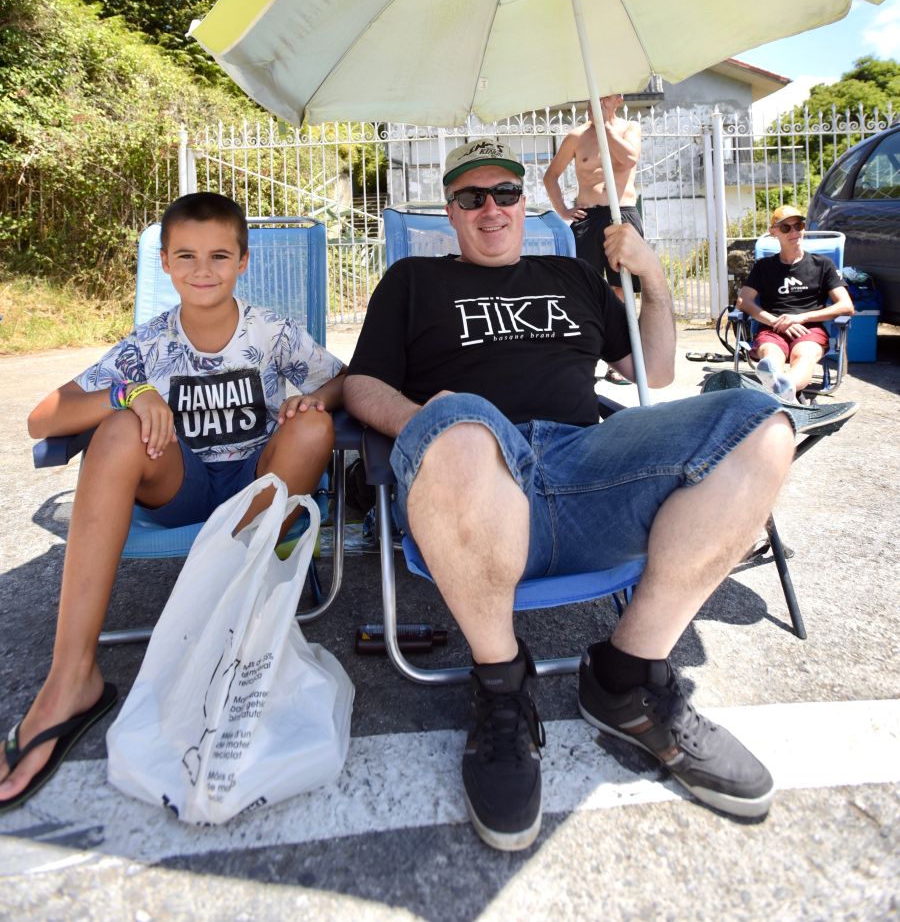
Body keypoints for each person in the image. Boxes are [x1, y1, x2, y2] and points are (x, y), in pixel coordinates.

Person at [344, 138, 854, 853]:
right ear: (451, 212)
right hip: (476, 474)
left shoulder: (572, 275)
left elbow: (656, 366)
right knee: (461, 423)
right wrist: (435, 421)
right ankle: (499, 687)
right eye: (471, 197)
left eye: (506, 195)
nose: (491, 210)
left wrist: (653, 280)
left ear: (527, 204)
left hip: (584, 459)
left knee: (761, 427)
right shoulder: (413, 281)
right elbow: (360, 385)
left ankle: (628, 677)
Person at [1, 192, 346, 811]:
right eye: (185, 256)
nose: (203, 269)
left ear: (244, 261)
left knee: (317, 427)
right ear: (165, 262)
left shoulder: (271, 332)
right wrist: (129, 395)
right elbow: (40, 418)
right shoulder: (150, 345)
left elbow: (339, 377)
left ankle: (232, 630)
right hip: (180, 487)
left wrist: (308, 400)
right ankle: (70, 678)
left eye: (219, 255)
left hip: (255, 492)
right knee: (116, 431)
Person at [542, 95, 643, 383]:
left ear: (618, 99)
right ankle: (581, 354)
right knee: (579, 286)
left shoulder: (629, 129)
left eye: (605, 96)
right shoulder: (576, 136)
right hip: (588, 215)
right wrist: (563, 210)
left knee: (621, 289)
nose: (597, 100)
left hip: (621, 212)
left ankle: (621, 359)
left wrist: (605, 127)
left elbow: (630, 158)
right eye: (593, 96)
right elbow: (551, 176)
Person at [736, 204, 854, 403]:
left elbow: (846, 306)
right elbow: (743, 301)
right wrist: (775, 321)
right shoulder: (764, 267)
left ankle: (785, 386)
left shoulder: (822, 264)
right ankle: (781, 387)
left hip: (809, 329)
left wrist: (801, 317)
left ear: (803, 228)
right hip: (772, 327)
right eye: (785, 228)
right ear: (773, 232)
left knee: (803, 355)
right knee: (771, 355)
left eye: (798, 225)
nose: (793, 232)